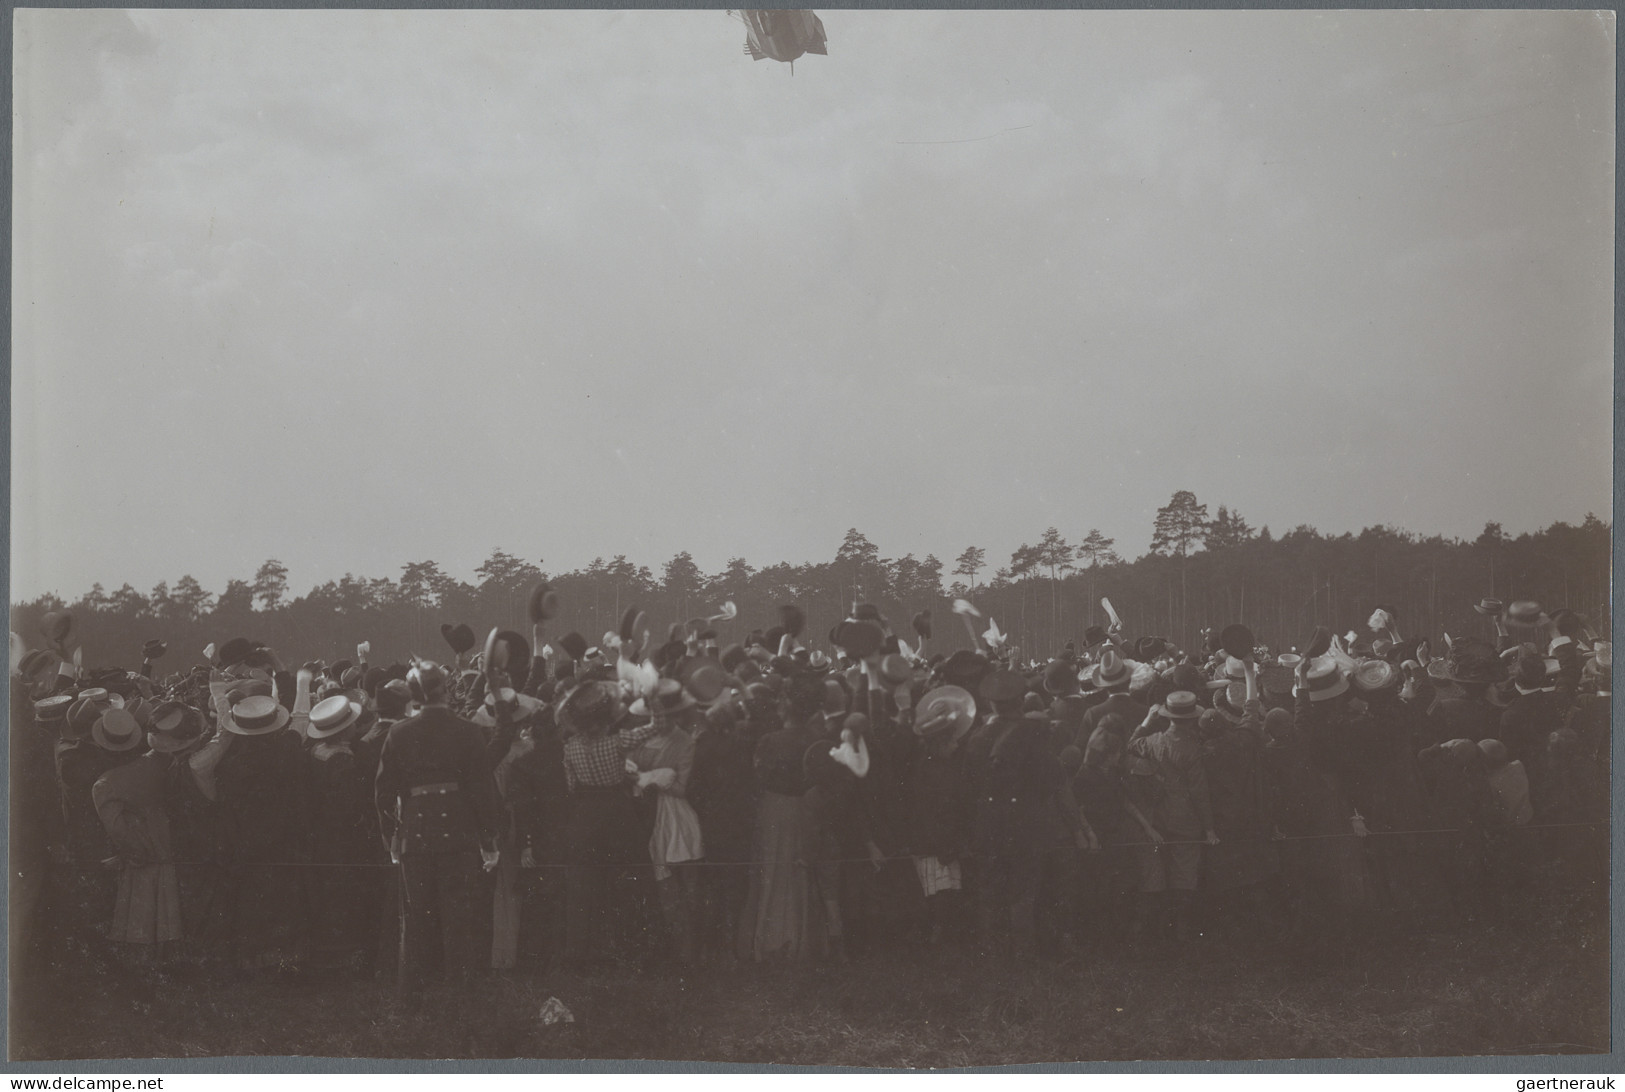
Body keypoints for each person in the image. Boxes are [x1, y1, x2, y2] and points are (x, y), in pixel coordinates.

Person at [373, 659, 501, 995]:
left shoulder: (398, 732)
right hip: (458, 834)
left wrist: (392, 838)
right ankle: (460, 996)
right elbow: (481, 791)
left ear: (413, 695)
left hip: (415, 834)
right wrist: (488, 839)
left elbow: (383, 793)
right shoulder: (469, 732)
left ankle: (414, 996)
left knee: (416, 921)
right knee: (459, 920)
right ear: (445, 690)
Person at [1126, 691, 1217, 944]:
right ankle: (1181, 933)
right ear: (1191, 719)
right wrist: (1209, 828)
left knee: (1157, 876)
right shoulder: (1193, 749)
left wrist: (1146, 721)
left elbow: (1130, 743)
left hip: (1158, 818)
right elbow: (1199, 792)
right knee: (1185, 875)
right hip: (1186, 821)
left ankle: (1155, 934)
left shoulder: (1153, 741)